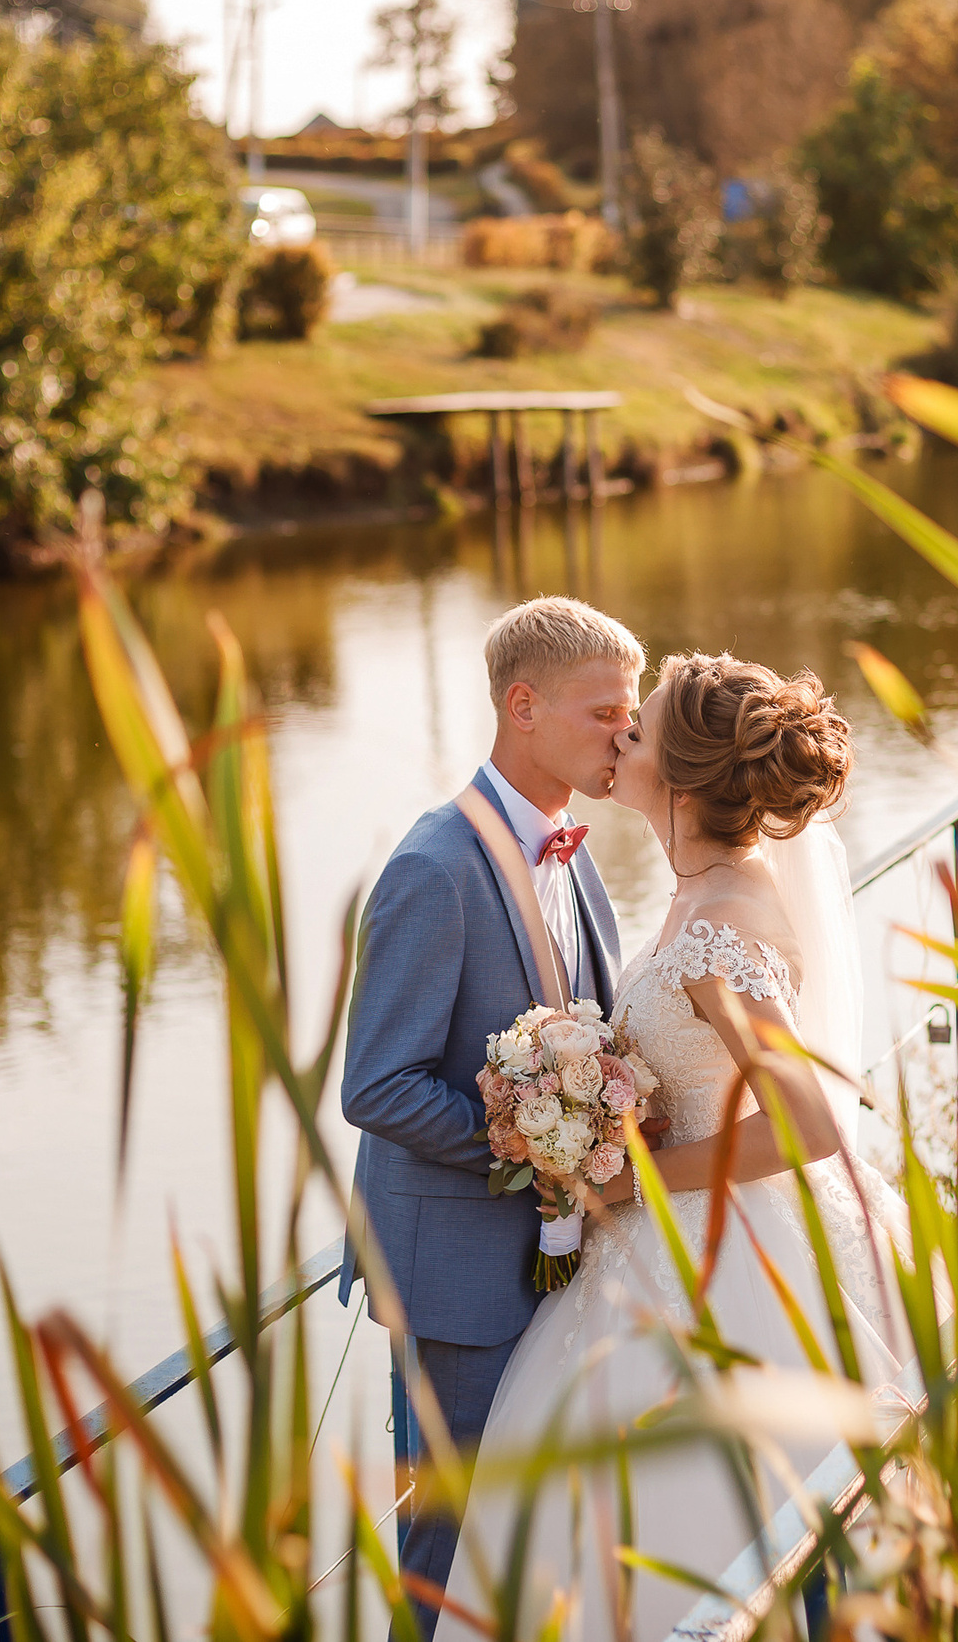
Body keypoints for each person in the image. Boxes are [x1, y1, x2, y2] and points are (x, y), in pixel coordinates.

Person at [438, 653, 958, 1642]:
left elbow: (808, 1119)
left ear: (681, 780)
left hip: (715, 1239)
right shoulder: (708, 887)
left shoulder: (720, 924)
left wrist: (633, 1177)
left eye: (635, 730)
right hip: (684, 1230)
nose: (619, 741)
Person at [340, 596, 647, 1638]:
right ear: (524, 706)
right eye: (604, 711)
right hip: (458, 1274)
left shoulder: (570, 840)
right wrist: (539, 1142)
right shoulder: (434, 869)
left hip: (556, 1255)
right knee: (451, 1533)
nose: (628, 731)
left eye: (631, 708)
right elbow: (375, 1085)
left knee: (535, 1523)